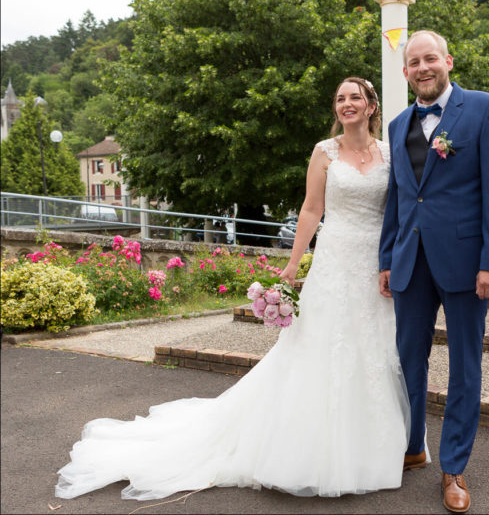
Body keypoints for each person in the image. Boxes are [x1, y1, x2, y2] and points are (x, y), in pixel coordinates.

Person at [55, 77, 411, 501]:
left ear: (372, 106)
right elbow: (312, 208)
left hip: (375, 264)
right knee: (322, 348)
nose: (347, 104)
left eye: (355, 98)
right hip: (334, 262)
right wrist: (293, 265)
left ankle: (368, 447)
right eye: (340, 99)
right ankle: (310, 448)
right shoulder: (324, 152)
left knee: (371, 350)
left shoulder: (391, 151)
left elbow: (400, 208)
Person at [379, 30, 489, 513]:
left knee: (464, 367)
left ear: (448, 61)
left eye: (430, 58)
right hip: (410, 262)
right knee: (407, 361)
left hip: (465, 264)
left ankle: (454, 467)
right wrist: (385, 260)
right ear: (405, 72)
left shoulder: (485, 109)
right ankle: (412, 447)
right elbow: (398, 197)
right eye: (413, 61)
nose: (423, 67)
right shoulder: (397, 124)